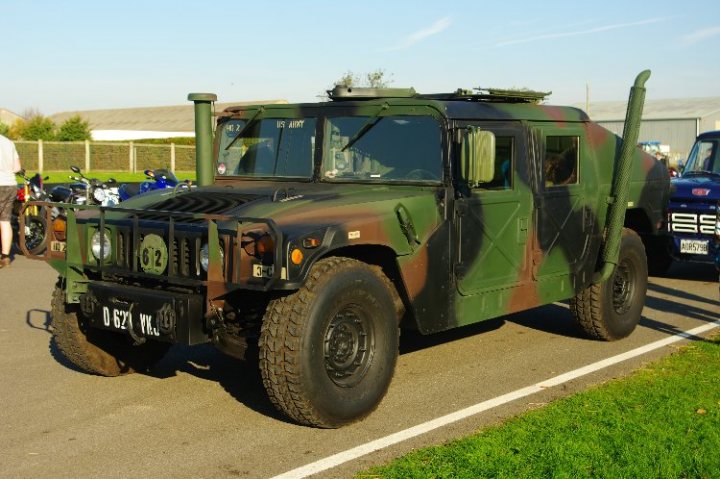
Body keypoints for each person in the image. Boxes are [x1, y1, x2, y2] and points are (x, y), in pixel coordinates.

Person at [0, 134, 21, 268]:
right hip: (11, 185)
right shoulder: (9, 142)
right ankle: (6, 257)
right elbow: (17, 168)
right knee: (5, 221)